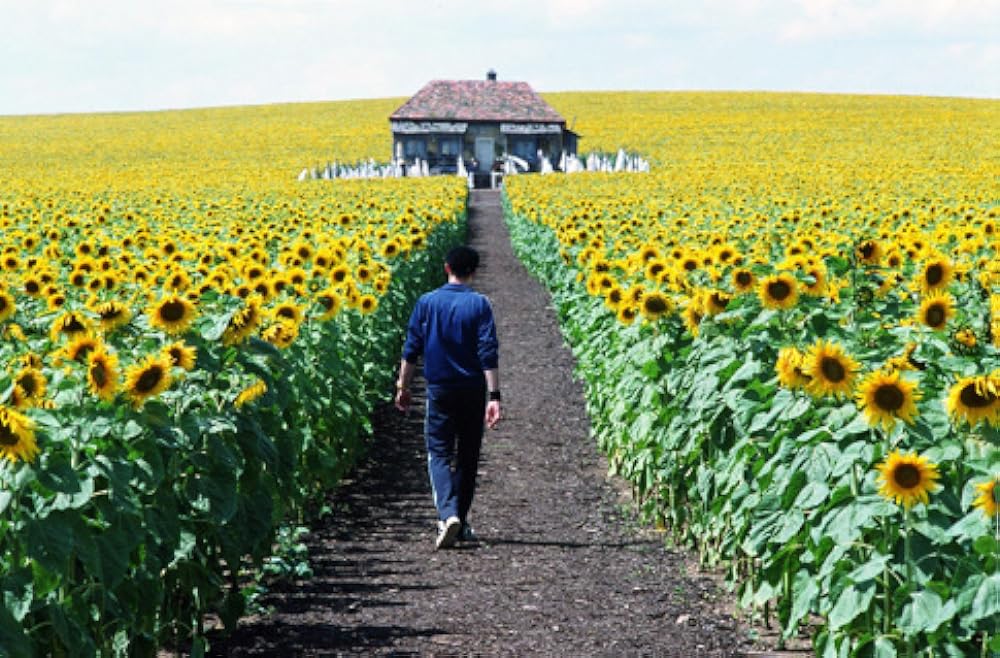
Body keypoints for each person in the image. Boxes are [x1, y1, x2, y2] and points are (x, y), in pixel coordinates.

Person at [394, 245, 502, 549]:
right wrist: (494, 395)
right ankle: (461, 521)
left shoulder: (427, 302)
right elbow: (488, 351)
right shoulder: (480, 305)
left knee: (438, 451)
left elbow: (411, 349)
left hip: (440, 388)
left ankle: (448, 514)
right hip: (472, 389)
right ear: (474, 271)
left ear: (446, 267)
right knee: (468, 455)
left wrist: (403, 387)